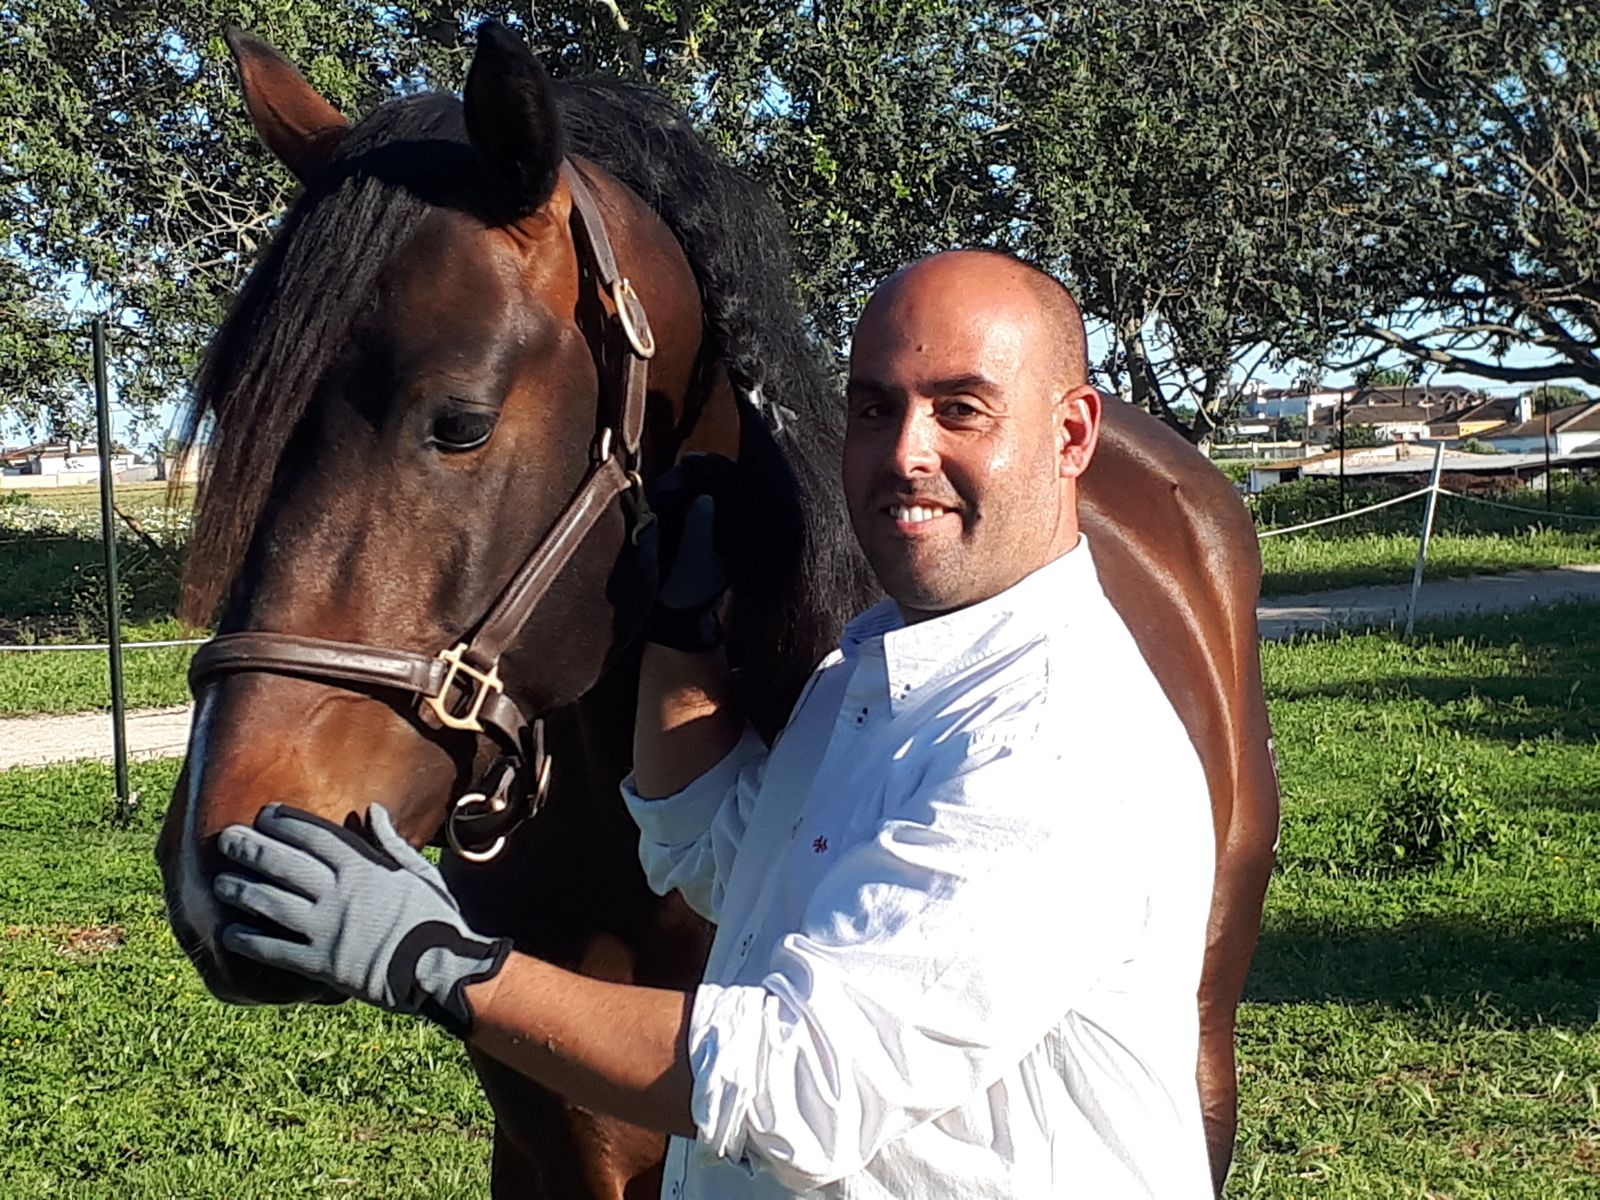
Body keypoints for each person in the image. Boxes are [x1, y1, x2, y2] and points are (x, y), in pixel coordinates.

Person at [212, 250, 1216, 1197]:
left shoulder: (1051, 735)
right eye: (875, 408)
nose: (906, 453)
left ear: (1072, 434)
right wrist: (684, 637)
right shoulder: (877, 668)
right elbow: (717, 857)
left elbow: (798, 1084)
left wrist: (437, 958)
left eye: (961, 409)